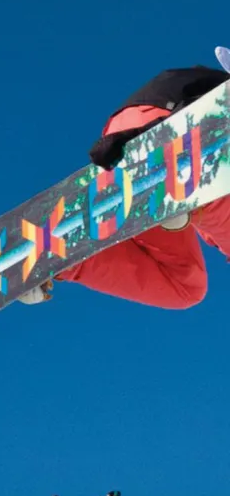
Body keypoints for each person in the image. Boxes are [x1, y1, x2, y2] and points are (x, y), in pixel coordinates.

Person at [20, 58, 230, 308]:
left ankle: (57, 252)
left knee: (186, 288)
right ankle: (170, 173)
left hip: (128, 139)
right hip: (174, 123)